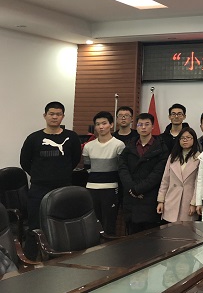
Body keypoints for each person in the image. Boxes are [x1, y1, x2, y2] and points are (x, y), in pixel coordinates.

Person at [20, 101, 81, 259]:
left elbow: (75, 159)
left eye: (58, 114)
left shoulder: (71, 137)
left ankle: (62, 258)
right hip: (38, 189)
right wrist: (40, 175)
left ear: (63, 116)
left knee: (62, 224)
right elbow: (24, 162)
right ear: (45, 115)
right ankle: (30, 261)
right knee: (35, 225)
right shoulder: (34, 138)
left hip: (63, 188)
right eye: (51, 114)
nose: (55, 117)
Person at [119, 112, 169, 234]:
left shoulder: (161, 148)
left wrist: (138, 189)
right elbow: (122, 168)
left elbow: (157, 173)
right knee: (131, 236)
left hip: (149, 197)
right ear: (136, 127)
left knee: (150, 236)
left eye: (147, 124)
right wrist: (132, 188)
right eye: (140, 124)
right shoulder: (129, 146)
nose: (143, 127)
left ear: (153, 127)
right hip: (130, 197)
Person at [82, 111, 125, 235]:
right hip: (92, 188)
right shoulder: (88, 146)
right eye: (98, 124)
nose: (101, 127)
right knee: (93, 223)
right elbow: (87, 167)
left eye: (104, 123)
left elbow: (121, 168)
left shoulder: (119, 145)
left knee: (109, 223)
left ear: (111, 125)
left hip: (110, 189)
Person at [157, 127, 200, 223]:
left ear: (194, 139)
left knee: (186, 230)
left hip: (188, 202)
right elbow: (165, 180)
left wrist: (194, 203)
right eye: (182, 138)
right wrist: (161, 201)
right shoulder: (173, 157)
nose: (185, 140)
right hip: (171, 200)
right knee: (169, 230)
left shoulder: (199, 158)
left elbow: (199, 184)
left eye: (188, 137)